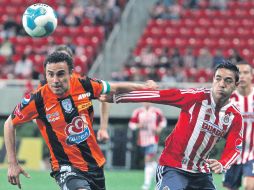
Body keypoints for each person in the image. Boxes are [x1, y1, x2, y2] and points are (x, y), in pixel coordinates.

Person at [4, 51, 158, 190]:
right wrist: (12, 163)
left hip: (94, 164)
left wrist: (143, 86)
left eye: (60, 74)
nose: (55, 80)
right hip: (65, 167)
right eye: (50, 74)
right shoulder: (37, 99)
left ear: (71, 73)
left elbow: (113, 88)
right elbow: (9, 123)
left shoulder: (84, 85)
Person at [102, 60, 243, 190]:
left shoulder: (234, 116)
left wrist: (223, 163)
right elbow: (158, 96)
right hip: (173, 166)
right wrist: (117, 97)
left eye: (228, 80)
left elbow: (235, 147)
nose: (222, 84)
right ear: (213, 80)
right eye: (218, 78)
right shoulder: (195, 97)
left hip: (200, 173)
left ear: (236, 85)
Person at [223, 61, 254, 190]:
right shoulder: (228, 99)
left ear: (252, 76)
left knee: (249, 186)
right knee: (230, 187)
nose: (242, 76)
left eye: (246, 73)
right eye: (239, 73)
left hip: (252, 152)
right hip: (232, 152)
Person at [129, 102, 167, 190]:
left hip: (153, 140)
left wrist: (159, 128)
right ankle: (158, 181)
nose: (147, 102)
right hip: (141, 140)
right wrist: (138, 125)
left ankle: (146, 184)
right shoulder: (138, 112)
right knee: (152, 163)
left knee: (148, 159)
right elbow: (131, 124)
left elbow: (163, 122)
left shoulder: (156, 111)